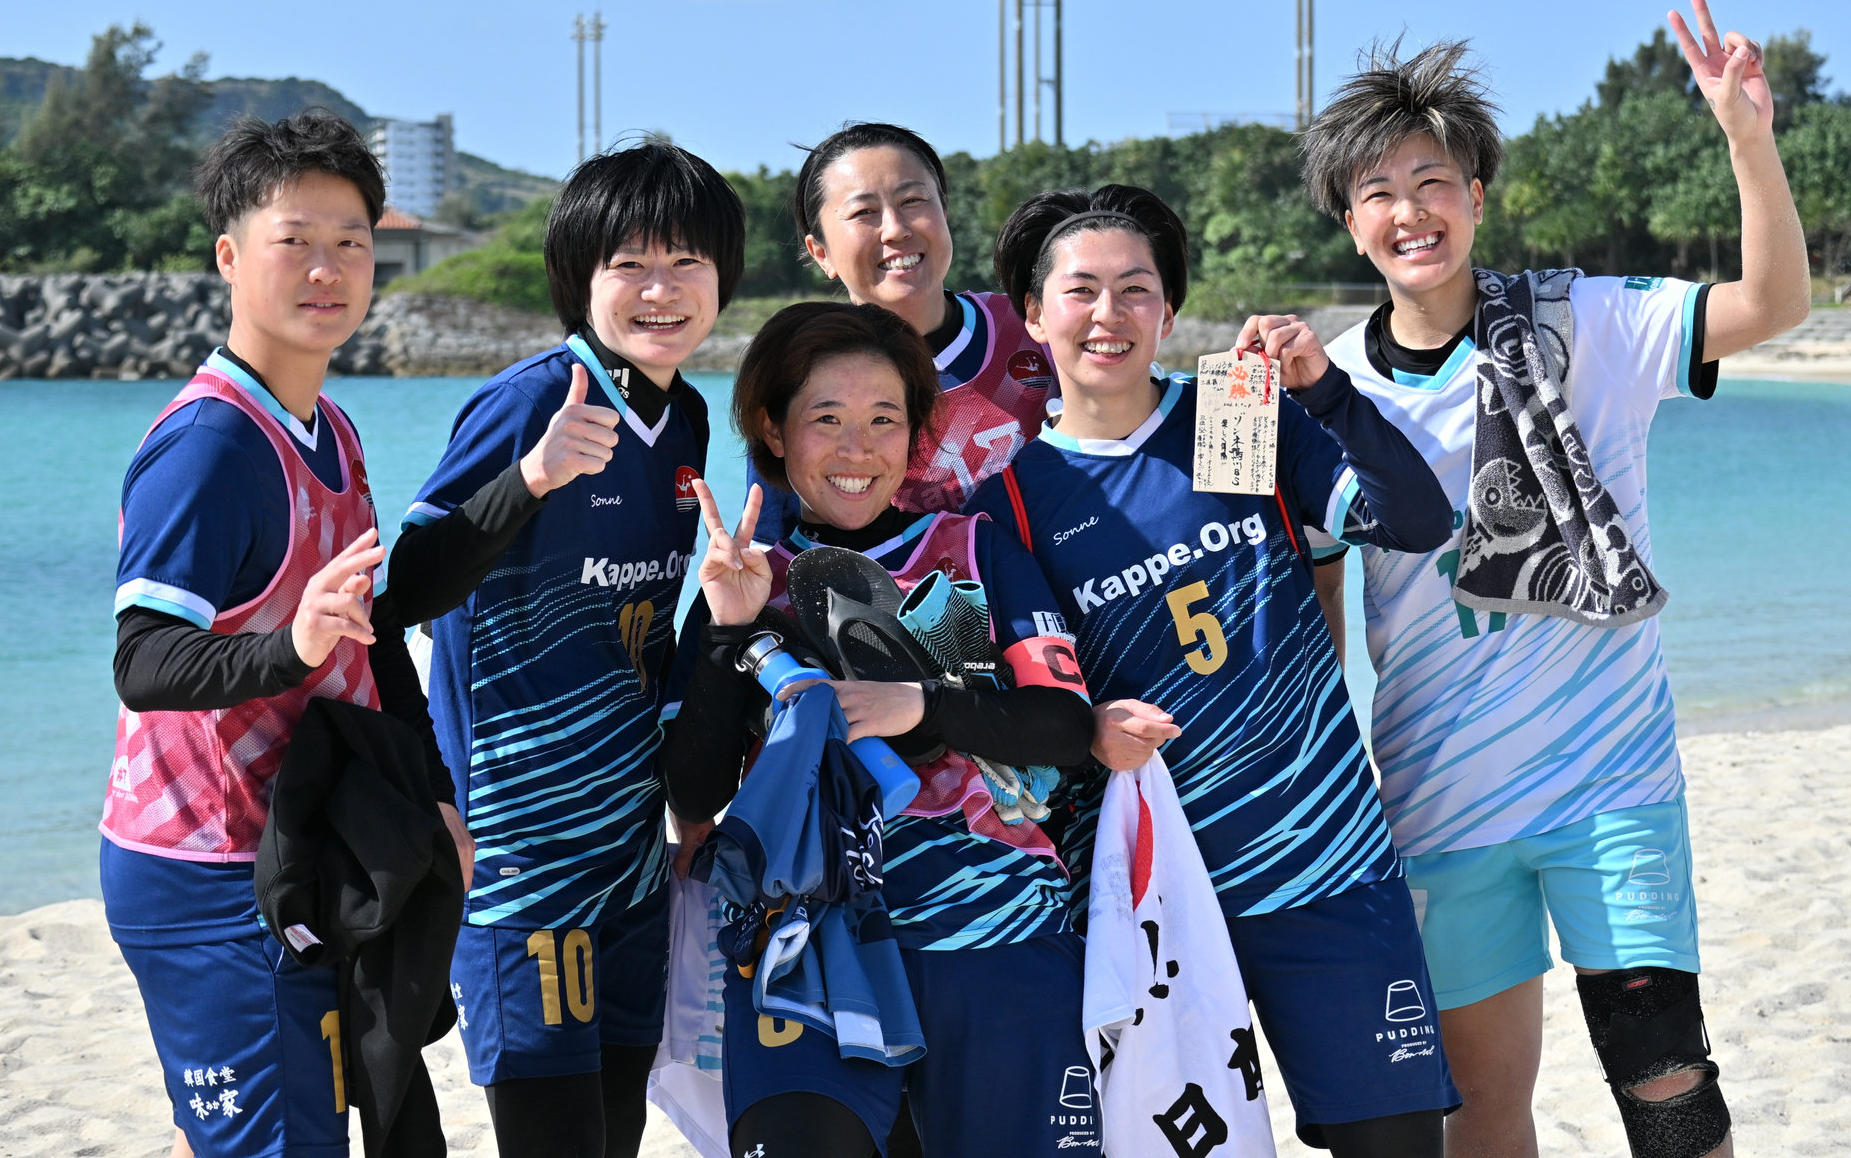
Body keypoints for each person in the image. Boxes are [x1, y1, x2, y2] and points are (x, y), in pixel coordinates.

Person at [1292, 0, 1810, 1158]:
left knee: (1669, 1086)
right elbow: (1318, 620)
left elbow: (1774, 304)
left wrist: (1747, 139)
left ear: (1477, 196)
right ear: (1351, 223)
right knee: (1480, 1104)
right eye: (1378, 192)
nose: (1410, 211)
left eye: (1432, 181)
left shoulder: (1586, 324)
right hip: (1439, 791)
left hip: (1609, 778)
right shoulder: (1321, 394)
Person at [969, 184, 1459, 1157]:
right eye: (1081, 290)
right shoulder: (1012, 502)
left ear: (1169, 311)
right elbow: (1042, 713)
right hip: (1164, 903)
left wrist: (1326, 392)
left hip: (1327, 864)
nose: (1108, 313)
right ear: (1033, 312)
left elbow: (1416, 521)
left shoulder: (1231, 414)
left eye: (1136, 288)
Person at [101, 110, 472, 1158]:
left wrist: (436, 792)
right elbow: (143, 661)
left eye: (351, 241)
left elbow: (371, 633)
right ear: (229, 257)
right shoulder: (211, 446)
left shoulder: (332, 427)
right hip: (210, 868)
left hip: (306, 844)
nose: (327, 268)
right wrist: (291, 647)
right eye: (294, 240)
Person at [662, 301, 1104, 1158]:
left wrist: (922, 705)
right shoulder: (748, 579)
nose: (857, 449)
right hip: (806, 946)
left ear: (916, 433)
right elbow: (693, 791)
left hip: (994, 924)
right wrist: (725, 632)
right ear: (773, 429)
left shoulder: (974, 549)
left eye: (884, 420)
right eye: (826, 419)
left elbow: (1063, 726)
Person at [387, 140, 744, 1158]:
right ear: (578, 277)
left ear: (723, 278)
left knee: (617, 1127)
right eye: (630, 264)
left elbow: (646, 630)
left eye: (686, 262)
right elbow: (404, 590)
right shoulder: (528, 401)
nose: (661, 289)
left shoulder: (686, 417)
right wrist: (530, 480)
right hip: (518, 849)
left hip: (629, 845)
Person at [748, 122, 1057, 541]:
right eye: (864, 213)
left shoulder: (1033, 324)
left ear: (945, 213)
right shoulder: (798, 374)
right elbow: (771, 554)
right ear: (821, 253)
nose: (895, 229)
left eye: (913, 201)